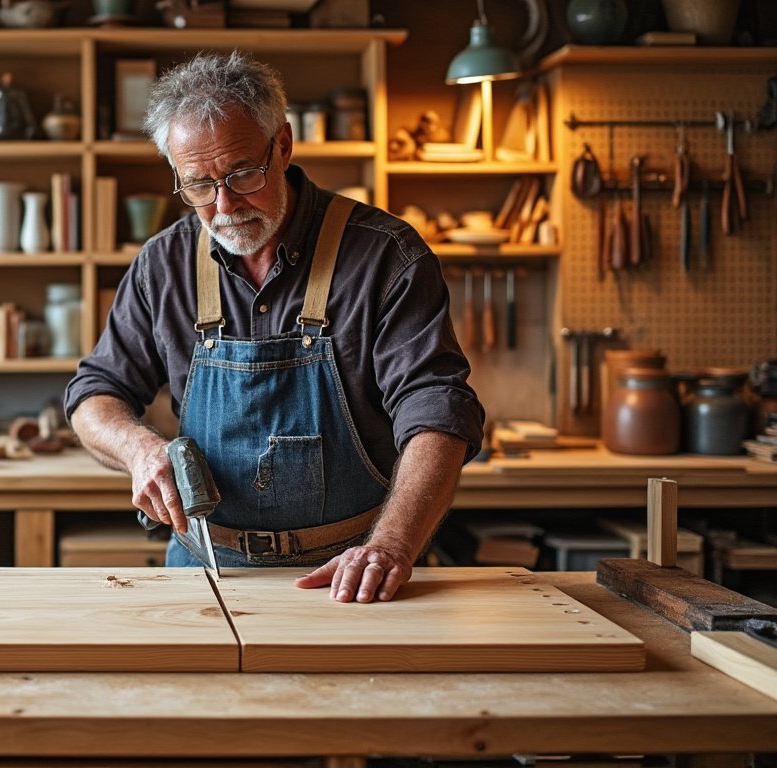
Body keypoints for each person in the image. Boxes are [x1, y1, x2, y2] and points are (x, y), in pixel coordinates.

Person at [64, 52, 484, 603]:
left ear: (282, 145)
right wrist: (139, 449)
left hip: (353, 573)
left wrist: (391, 548)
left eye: (242, 173)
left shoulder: (385, 257)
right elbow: (95, 394)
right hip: (206, 571)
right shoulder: (163, 265)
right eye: (198, 185)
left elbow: (437, 411)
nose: (224, 205)